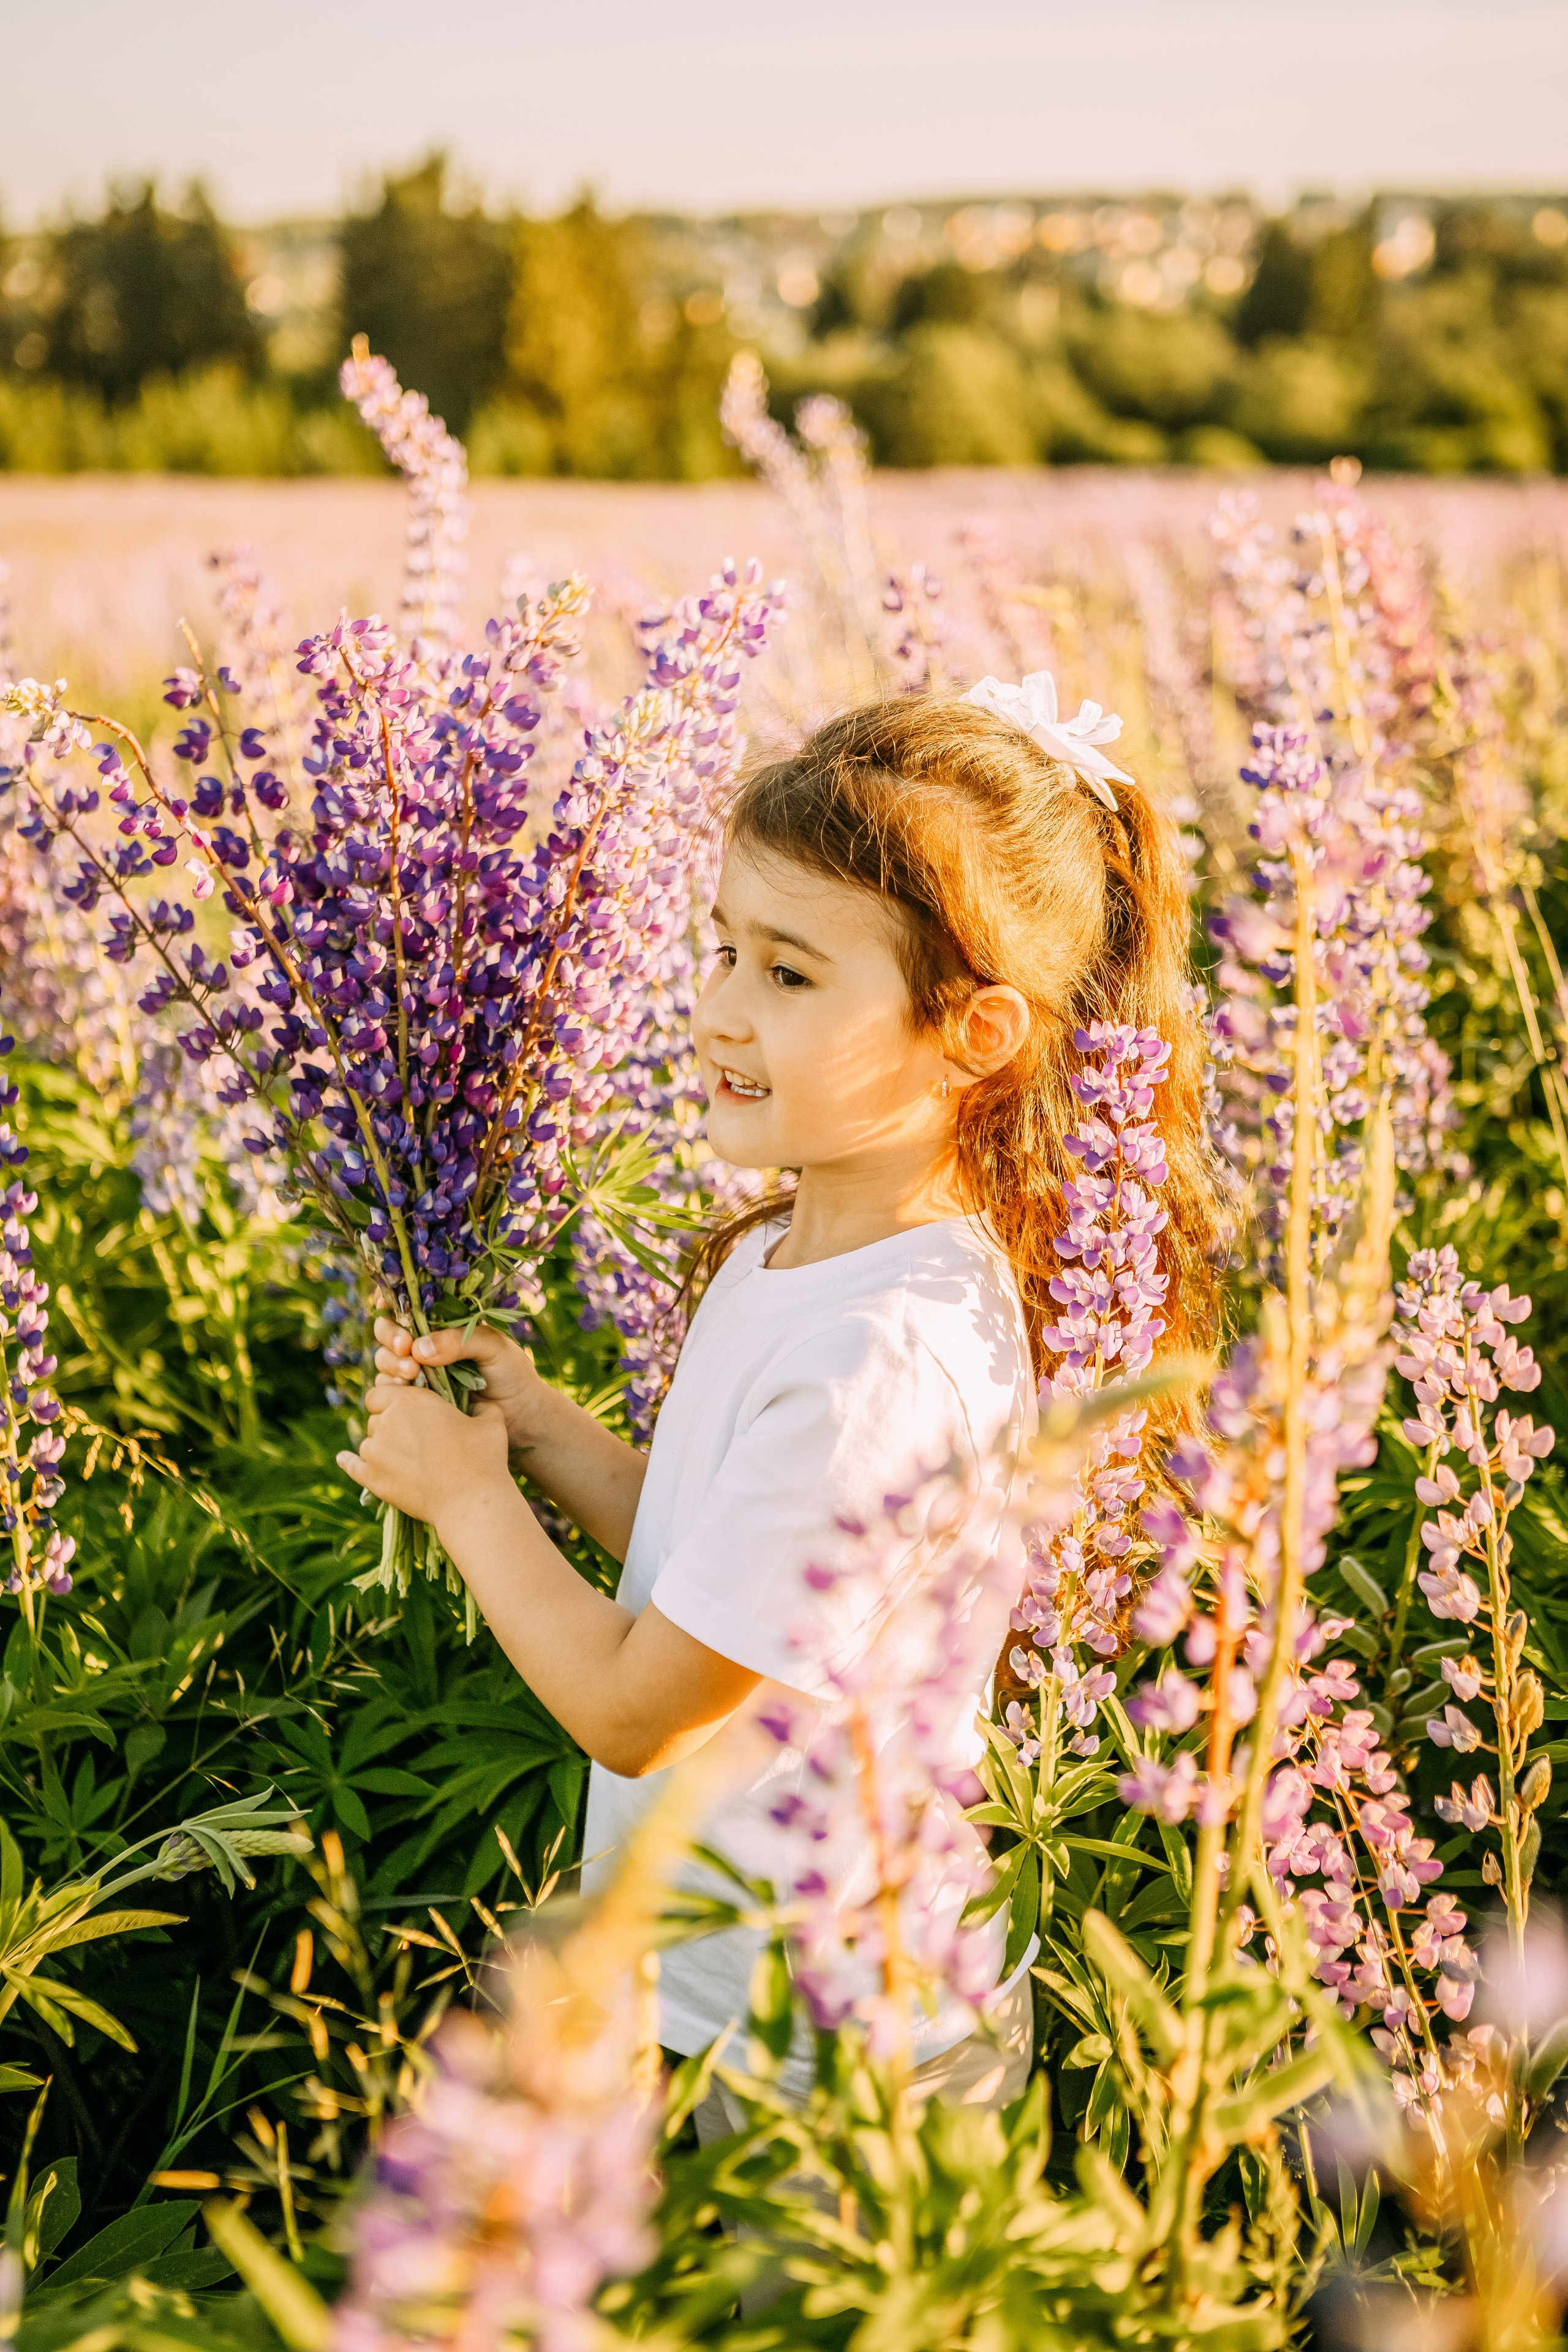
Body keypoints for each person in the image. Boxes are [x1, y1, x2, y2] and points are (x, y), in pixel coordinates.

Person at [343, 677, 1219, 2117]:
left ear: (973, 1034)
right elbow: (717, 1572)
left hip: (851, 2055)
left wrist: (466, 1496)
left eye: (790, 975)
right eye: (722, 952)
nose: (717, 1013)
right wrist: (545, 1429)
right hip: (724, 1997)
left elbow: (640, 1709)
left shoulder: (885, 1351)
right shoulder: (786, 1248)